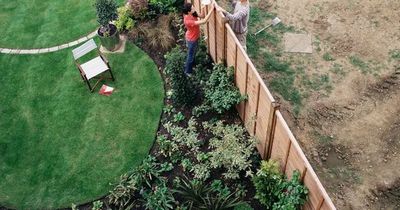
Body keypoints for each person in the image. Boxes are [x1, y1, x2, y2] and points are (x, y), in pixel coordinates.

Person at [183, 2, 214, 76]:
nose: (194, 8)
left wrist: (203, 7)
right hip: (191, 40)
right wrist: (212, 9)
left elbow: (202, 16)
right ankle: (188, 71)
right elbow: (204, 21)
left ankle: (191, 65)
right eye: (192, 8)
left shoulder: (193, 13)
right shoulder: (187, 21)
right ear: (188, 11)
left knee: (193, 53)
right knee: (190, 56)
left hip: (195, 37)